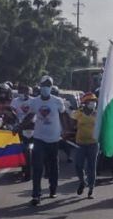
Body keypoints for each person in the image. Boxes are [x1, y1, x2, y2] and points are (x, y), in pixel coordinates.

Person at [22, 76, 69, 206]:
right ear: (40, 86)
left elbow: (63, 115)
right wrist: (19, 126)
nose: (46, 87)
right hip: (39, 138)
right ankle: (36, 195)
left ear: (51, 87)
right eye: (44, 85)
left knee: (53, 166)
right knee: (37, 167)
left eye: (48, 85)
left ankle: (53, 188)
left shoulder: (57, 101)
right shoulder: (35, 102)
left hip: (54, 138)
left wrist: (65, 130)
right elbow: (30, 116)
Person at [72, 93, 99, 199]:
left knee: (91, 167)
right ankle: (82, 182)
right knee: (78, 165)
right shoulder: (79, 113)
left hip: (93, 144)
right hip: (80, 144)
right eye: (91, 101)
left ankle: (91, 189)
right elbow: (71, 117)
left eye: (94, 101)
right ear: (85, 103)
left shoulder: (98, 114)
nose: (93, 103)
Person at [10, 83, 35, 181]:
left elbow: (33, 114)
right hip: (19, 128)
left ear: (29, 92)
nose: (22, 93)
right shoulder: (15, 101)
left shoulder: (34, 101)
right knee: (20, 147)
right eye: (20, 91)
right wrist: (11, 115)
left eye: (24, 91)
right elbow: (11, 111)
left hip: (33, 126)